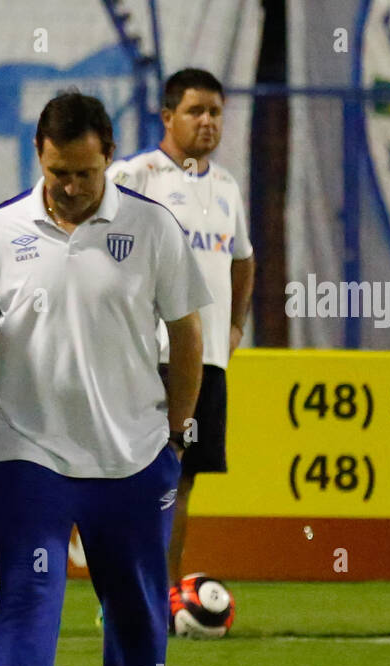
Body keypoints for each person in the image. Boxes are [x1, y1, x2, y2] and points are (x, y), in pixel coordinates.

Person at [0, 90, 209, 666]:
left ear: (110, 157)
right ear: (40, 156)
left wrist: (178, 431)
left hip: (133, 456)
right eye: (59, 171)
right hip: (30, 452)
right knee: (30, 596)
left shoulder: (154, 230)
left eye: (84, 173)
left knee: (137, 610)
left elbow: (187, 335)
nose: (70, 186)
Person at [108, 69, 255, 618]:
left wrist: (234, 326)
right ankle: (123, 593)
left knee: (180, 480)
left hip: (207, 359)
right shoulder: (136, 175)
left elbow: (243, 258)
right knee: (131, 479)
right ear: (167, 116)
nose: (208, 122)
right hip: (149, 355)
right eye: (196, 111)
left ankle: (162, 596)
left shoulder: (227, 188)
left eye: (216, 112)